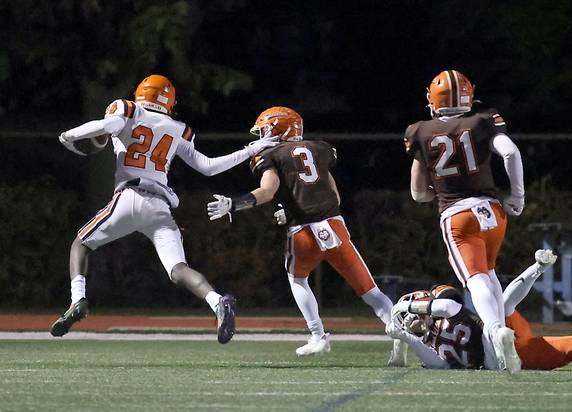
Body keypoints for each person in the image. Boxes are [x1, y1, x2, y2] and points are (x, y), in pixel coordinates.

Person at [50, 74, 278, 343]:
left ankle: (78, 301)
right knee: (178, 268)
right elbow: (208, 167)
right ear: (169, 100)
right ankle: (218, 302)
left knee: (81, 244)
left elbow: (105, 124)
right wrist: (251, 150)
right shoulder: (178, 127)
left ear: (141, 93)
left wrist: (69, 135)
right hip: (160, 205)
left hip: (130, 194)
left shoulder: (128, 109)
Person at [206, 107, 404, 362]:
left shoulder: (271, 155)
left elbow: (267, 191)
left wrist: (234, 204)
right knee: (371, 292)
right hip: (335, 227)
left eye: (266, 129)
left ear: (278, 129)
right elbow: (334, 196)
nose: (262, 134)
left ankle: (318, 336)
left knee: (298, 280)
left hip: (302, 233)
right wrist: (292, 209)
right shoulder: (320, 148)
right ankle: (400, 339)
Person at [404, 69, 525, 372]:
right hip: (493, 213)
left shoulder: (420, 130)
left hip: (457, 214)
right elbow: (510, 153)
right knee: (490, 275)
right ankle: (496, 348)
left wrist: (438, 190)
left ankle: (496, 332)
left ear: (433, 101)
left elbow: (418, 193)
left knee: (476, 280)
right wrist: (517, 197)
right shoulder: (483, 121)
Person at [387, 250, 572, 370]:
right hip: (501, 340)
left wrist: (406, 307)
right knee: (505, 309)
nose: (413, 318)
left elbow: (446, 307)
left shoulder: (445, 311)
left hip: (497, 356)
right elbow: (438, 363)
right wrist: (406, 337)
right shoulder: (437, 328)